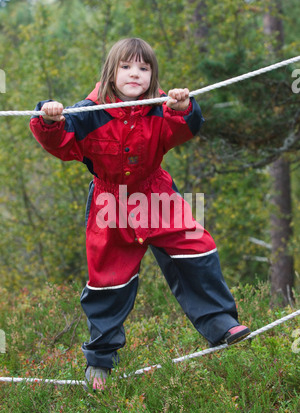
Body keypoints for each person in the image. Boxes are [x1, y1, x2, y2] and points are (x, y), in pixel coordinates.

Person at [30, 37, 250, 390]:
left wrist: (182, 108)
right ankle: (100, 361)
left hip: (155, 194)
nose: (136, 74)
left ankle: (220, 324)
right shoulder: (88, 112)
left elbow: (187, 127)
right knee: (108, 281)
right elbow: (59, 140)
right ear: (110, 73)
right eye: (127, 67)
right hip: (110, 204)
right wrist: (50, 117)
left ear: (153, 75)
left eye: (144, 68)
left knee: (198, 249)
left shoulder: (160, 106)